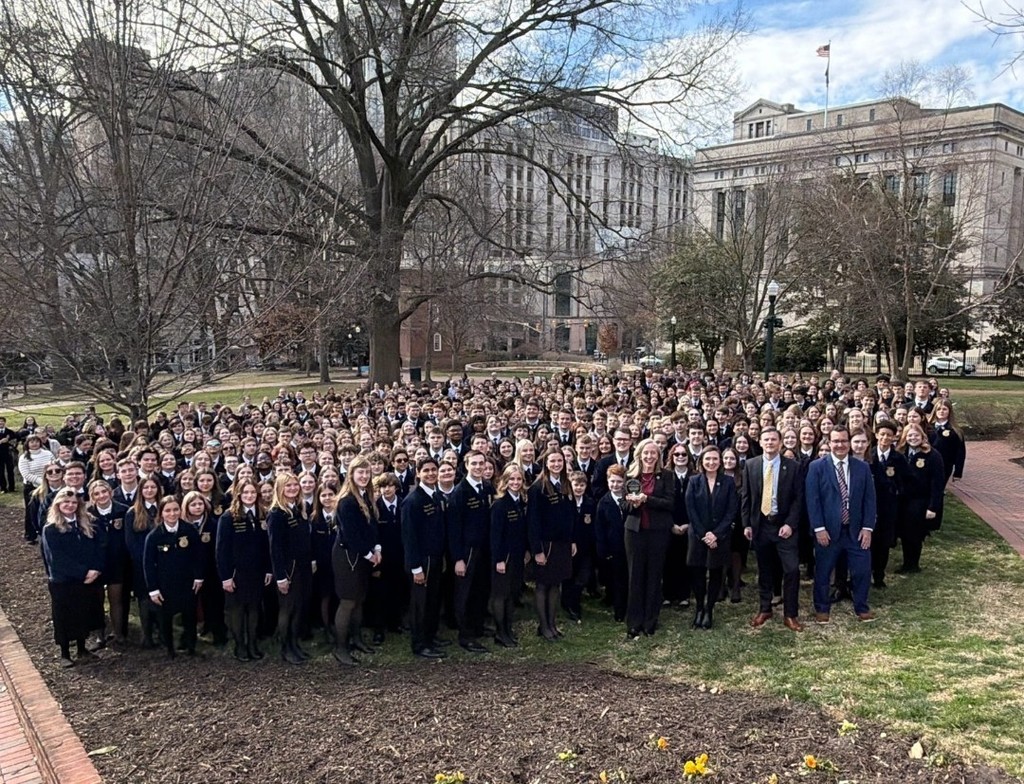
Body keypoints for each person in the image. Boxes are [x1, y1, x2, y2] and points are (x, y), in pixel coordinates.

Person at [805, 426, 877, 623]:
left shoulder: (862, 467)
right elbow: (813, 500)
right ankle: (821, 608)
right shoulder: (817, 467)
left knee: (862, 570)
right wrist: (818, 528)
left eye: (844, 441)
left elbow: (870, 500)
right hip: (827, 532)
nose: (840, 445)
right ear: (829, 443)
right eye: (836, 441)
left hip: (856, 531)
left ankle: (861, 607)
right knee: (823, 571)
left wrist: (868, 528)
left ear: (849, 443)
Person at [741, 429, 804, 632]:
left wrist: (790, 524)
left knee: (792, 569)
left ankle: (790, 614)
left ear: (780, 442)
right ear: (760, 442)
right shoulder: (751, 465)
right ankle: (765, 608)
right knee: (764, 569)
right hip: (761, 526)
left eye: (773, 439)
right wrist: (747, 524)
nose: (770, 443)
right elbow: (746, 497)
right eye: (766, 439)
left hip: (784, 526)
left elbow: (798, 499)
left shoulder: (793, 467)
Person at [41, 488, 105, 667]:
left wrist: (96, 569)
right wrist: (83, 572)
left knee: (82, 613)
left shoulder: (86, 524)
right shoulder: (51, 529)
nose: (70, 506)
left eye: (73, 503)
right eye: (66, 502)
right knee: (64, 616)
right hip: (63, 581)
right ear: (58, 505)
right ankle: (64, 653)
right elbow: (58, 558)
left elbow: (97, 548)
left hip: (86, 580)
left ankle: (82, 648)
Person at [622, 438, 676, 638]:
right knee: (635, 576)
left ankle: (650, 621)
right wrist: (632, 504)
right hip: (634, 532)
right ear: (640, 454)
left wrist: (647, 499)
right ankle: (634, 622)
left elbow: (670, 503)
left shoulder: (667, 476)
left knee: (654, 576)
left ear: (658, 456)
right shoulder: (630, 475)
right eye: (646, 453)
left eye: (653, 453)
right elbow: (623, 505)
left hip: (657, 532)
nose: (649, 456)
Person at [332, 456, 380, 665]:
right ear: (351, 474)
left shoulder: (365, 496)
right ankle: (340, 648)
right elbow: (351, 535)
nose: (364, 476)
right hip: (348, 556)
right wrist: (370, 555)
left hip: (363, 554)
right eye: (360, 472)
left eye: (367, 472)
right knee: (348, 601)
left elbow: (371, 526)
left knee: (359, 599)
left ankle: (357, 639)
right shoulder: (347, 501)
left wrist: (377, 548)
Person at [216, 479, 271, 661]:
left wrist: (268, 570)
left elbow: (267, 546)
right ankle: (240, 645)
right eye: (245, 493)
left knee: (254, 608)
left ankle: (253, 644)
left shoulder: (262, 514)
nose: (249, 496)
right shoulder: (228, 517)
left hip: (257, 571)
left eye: (253, 493)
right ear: (238, 495)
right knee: (237, 610)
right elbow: (221, 549)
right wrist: (225, 577)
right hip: (236, 572)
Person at [684, 446, 737, 630]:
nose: (711, 462)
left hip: (719, 536)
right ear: (702, 461)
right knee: (697, 571)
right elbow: (690, 509)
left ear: (720, 461)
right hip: (698, 535)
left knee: (715, 572)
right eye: (708, 459)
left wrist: (716, 534)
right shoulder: (693, 481)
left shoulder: (728, 482)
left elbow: (731, 511)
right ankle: (699, 607)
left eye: (715, 459)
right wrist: (703, 534)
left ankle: (709, 609)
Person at [447, 450, 494, 653]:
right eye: (473, 463)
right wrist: (458, 558)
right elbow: (454, 529)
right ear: (466, 465)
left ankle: (477, 626)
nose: (478, 467)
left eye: (481, 463)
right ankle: (465, 635)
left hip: (484, 549)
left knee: (481, 590)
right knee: (464, 594)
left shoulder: (487, 487)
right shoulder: (460, 492)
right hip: (466, 551)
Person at [144, 497, 203, 658]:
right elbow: (148, 564)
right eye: (168, 510)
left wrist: (199, 577)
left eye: (175, 509)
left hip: (187, 582)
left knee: (189, 616)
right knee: (165, 618)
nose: (172, 514)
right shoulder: (154, 536)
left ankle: (191, 647)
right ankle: (170, 649)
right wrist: (153, 589)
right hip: (165, 585)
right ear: (161, 513)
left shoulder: (189, 530)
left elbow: (198, 556)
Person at [401, 457, 447, 660]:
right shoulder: (412, 501)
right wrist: (416, 568)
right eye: (426, 470)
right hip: (421, 561)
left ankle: (430, 636)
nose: (430, 473)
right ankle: (419, 644)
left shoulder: (435, 496)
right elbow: (409, 537)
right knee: (420, 604)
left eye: (433, 470)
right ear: (418, 473)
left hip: (435, 558)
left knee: (433, 601)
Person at [527, 449, 575, 642]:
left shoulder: (565, 485)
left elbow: (570, 516)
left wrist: (572, 540)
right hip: (545, 545)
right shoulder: (538, 488)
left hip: (562, 544)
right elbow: (533, 522)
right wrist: (537, 550)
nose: (556, 464)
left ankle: (552, 623)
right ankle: (544, 626)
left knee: (556, 584)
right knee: (542, 585)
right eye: (552, 461)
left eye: (559, 461)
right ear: (546, 464)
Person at [267, 472, 314, 664]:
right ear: (280, 489)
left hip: (302, 567)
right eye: (288, 486)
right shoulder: (276, 514)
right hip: (288, 569)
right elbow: (275, 548)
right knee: (287, 608)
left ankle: (294, 644)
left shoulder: (299, 508)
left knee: (298, 607)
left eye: (295, 485)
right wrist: (280, 576)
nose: (293, 488)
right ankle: (285, 647)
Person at [897, 423, 945, 574]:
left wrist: (933, 507)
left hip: (920, 501)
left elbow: (937, 484)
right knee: (904, 533)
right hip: (902, 501)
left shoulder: (932, 455)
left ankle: (913, 565)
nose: (913, 438)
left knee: (915, 534)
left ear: (922, 436)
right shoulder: (900, 453)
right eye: (910, 435)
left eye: (916, 435)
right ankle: (906, 563)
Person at [489, 465, 528, 648]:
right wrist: (498, 560)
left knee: (511, 594)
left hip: (517, 557)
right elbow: (495, 536)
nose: (515, 482)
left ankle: (508, 629)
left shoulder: (520, 501)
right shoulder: (500, 504)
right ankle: (500, 632)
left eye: (518, 479)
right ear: (505, 481)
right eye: (511, 479)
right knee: (500, 595)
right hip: (503, 559)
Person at [87, 480, 129, 646]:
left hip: (117, 562)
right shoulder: (87, 513)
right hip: (96, 563)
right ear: (92, 496)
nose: (101, 496)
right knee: (97, 600)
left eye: (104, 492)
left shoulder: (123, 510)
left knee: (116, 599)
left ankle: (118, 633)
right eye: (96, 494)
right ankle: (99, 634)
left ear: (110, 493)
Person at [182, 491, 227, 645]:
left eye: (200, 504)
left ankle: (219, 635)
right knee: (189, 606)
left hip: (211, 571)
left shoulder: (213, 524)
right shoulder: (181, 526)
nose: (197, 507)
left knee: (214, 604)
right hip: (188, 572)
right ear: (186, 507)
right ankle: (188, 637)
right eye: (193, 504)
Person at [868, 421, 908, 588]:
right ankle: (866, 572)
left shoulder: (898, 458)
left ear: (894, 438)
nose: (885, 438)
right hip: (870, 506)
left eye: (889, 435)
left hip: (889, 507)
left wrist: (896, 490)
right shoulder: (869, 456)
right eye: (882, 434)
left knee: (883, 543)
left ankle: (879, 575)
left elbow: (905, 481)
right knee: (868, 541)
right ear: (876, 435)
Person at [124, 477, 162, 647]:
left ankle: (163, 633)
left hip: (164, 563)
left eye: (153, 487)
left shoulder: (164, 508)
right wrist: (146, 561)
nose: (149, 490)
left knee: (162, 598)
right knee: (145, 599)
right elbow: (131, 543)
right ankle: (147, 636)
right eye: (145, 488)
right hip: (141, 564)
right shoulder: (132, 513)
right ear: (140, 490)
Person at [595, 465, 629, 623]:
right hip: (613, 547)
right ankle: (619, 610)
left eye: (619, 481)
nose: (615, 485)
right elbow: (599, 529)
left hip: (629, 545)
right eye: (612, 481)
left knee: (629, 577)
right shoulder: (604, 502)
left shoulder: (629, 499)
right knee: (616, 580)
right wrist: (603, 551)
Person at [563, 470, 596, 623]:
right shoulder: (565, 502)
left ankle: (574, 602)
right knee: (569, 577)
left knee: (583, 576)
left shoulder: (590, 503)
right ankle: (568, 604)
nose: (578, 488)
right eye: (576, 485)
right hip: (568, 546)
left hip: (585, 547)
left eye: (582, 485)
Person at [18, 434, 54, 543]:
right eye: (32, 442)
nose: (34, 444)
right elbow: (26, 474)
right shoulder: (24, 457)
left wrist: (48, 481)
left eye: (36, 441)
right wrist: (41, 482)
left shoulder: (48, 453)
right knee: (31, 511)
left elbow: (53, 466)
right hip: (31, 487)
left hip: (49, 484)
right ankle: (30, 535)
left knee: (48, 508)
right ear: (27, 444)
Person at [929, 401, 965, 486]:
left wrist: (958, 472)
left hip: (944, 465)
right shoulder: (928, 427)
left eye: (944, 409)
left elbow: (960, 453)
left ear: (949, 411)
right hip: (927, 464)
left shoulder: (955, 431)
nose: (941, 411)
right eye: (939, 409)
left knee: (938, 489)